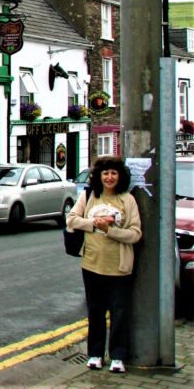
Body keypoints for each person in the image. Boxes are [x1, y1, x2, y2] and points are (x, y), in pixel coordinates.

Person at [66, 156, 142, 374]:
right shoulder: (90, 196)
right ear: (99, 176)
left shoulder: (127, 200)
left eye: (114, 173)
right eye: (105, 173)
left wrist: (111, 230)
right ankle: (95, 354)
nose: (109, 177)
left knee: (119, 312)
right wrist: (94, 223)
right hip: (91, 264)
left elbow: (135, 234)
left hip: (119, 266)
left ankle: (118, 356)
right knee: (95, 310)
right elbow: (71, 219)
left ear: (120, 176)